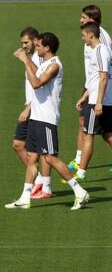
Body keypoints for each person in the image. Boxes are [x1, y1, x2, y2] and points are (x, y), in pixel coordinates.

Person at [6, 32, 89, 210]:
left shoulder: (55, 66)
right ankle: (25, 198)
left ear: (47, 47)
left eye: (38, 46)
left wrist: (25, 60)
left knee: (50, 158)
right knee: (31, 158)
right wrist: (29, 60)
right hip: (36, 118)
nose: (36, 48)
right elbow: (36, 73)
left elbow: (36, 83)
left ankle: (80, 191)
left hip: (46, 119)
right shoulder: (44, 64)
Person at [73, 22, 112, 183]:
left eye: (83, 35)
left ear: (90, 35)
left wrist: (98, 102)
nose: (82, 38)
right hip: (97, 98)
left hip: (98, 102)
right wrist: (85, 95)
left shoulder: (101, 51)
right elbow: (96, 79)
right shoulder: (98, 51)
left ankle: (80, 174)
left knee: (88, 135)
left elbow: (103, 77)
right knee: (109, 135)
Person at [67, 4, 112, 173]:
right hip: (90, 85)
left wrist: (100, 95)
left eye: (83, 17)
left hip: (100, 88)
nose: (80, 20)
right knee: (84, 122)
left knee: (107, 129)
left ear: (92, 19)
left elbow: (106, 66)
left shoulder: (102, 37)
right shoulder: (89, 35)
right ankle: (78, 158)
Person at [12, 27, 54, 199]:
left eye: (26, 42)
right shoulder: (33, 57)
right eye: (22, 42)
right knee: (18, 145)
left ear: (36, 40)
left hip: (35, 110)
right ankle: (39, 181)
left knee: (44, 153)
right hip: (31, 109)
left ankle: (45, 186)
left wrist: (28, 108)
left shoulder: (38, 58)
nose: (24, 45)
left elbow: (39, 83)